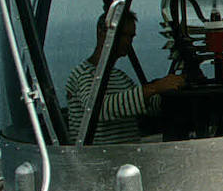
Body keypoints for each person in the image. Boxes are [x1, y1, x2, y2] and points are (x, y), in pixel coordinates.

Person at [66, 11, 185, 144]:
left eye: (131, 37)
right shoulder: (82, 74)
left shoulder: (120, 77)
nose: (128, 41)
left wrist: (172, 89)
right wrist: (154, 88)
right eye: (123, 35)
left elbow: (146, 106)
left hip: (126, 160)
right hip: (97, 160)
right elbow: (99, 110)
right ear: (101, 32)